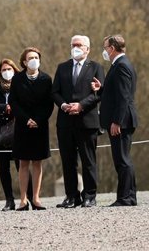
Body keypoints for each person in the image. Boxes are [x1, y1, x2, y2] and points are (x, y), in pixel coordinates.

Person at [51, 35, 105, 208]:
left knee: (88, 160)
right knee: (68, 161)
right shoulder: (62, 67)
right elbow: (55, 92)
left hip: (87, 121)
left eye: (79, 45)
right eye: (73, 45)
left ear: (87, 49)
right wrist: (64, 105)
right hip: (65, 121)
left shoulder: (96, 67)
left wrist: (81, 106)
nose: (75, 48)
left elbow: (98, 94)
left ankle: (89, 195)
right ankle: (71, 196)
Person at [93, 34, 139, 206]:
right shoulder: (120, 65)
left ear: (112, 48)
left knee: (122, 160)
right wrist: (101, 89)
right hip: (122, 119)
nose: (104, 51)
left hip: (122, 121)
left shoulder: (121, 66)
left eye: (105, 47)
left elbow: (123, 97)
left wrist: (117, 121)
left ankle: (126, 197)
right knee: (123, 159)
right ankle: (129, 196)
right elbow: (115, 92)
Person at [9, 47, 53, 211]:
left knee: (37, 162)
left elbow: (49, 104)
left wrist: (38, 120)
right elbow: (13, 102)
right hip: (22, 125)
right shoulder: (17, 79)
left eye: (36, 57)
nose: (34, 60)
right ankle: (23, 199)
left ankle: (36, 198)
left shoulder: (46, 79)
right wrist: (26, 119)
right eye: (31, 57)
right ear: (24, 62)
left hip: (40, 126)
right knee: (23, 162)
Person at [0, 58, 32, 211]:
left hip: (19, 129)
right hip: (1, 131)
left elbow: (27, 103)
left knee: (22, 165)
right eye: (3, 70)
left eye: (9, 69)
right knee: (3, 167)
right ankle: (9, 200)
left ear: (14, 70)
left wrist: (12, 108)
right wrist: (4, 107)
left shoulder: (22, 84)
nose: (7, 72)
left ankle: (29, 198)